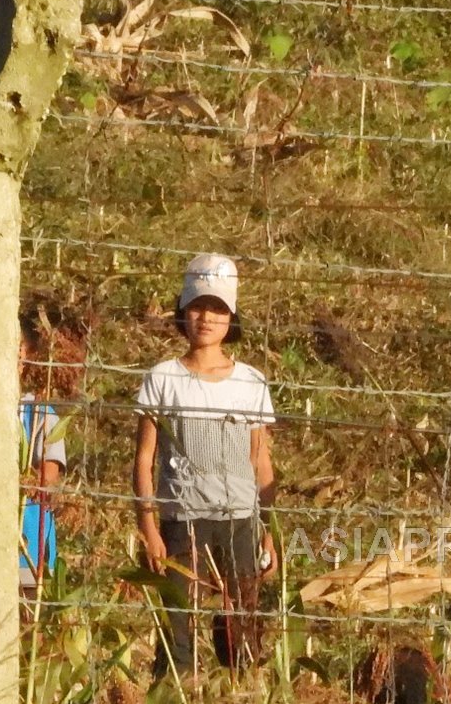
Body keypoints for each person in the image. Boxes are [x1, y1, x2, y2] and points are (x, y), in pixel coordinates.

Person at [133, 253, 278, 681]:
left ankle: (239, 688)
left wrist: (269, 531)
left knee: (242, 629)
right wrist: (149, 528)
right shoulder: (163, 377)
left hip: (240, 521)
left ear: (231, 316)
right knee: (177, 628)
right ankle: (175, 688)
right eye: (198, 306)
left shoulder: (251, 381)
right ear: (182, 312)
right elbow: (144, 458)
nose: (207, 318)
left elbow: (260, 459)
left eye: (218, 308)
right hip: (183, 520)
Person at [19, 312, 68, 596]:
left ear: (28, 355)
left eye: (17, 347)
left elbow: (47, 477)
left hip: (29, 546)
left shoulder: (38, 412)